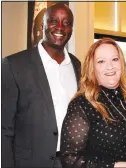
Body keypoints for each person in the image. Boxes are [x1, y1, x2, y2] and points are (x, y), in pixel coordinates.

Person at [2, 3, 81, 168]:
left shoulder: (78, 66)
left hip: (72, 162)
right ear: (43, 24)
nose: (60, 27)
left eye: (66, 23)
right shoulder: (13, 65)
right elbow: (4, 129)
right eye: (53, 21)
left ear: (71, 29)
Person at [60, 37, 126, 168]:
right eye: (101, 61)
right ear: (92, 68)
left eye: (115, 59)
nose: (110, 67)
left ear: (122, 63)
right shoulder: (82, 104)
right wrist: (113, 166)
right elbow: (70, 158)